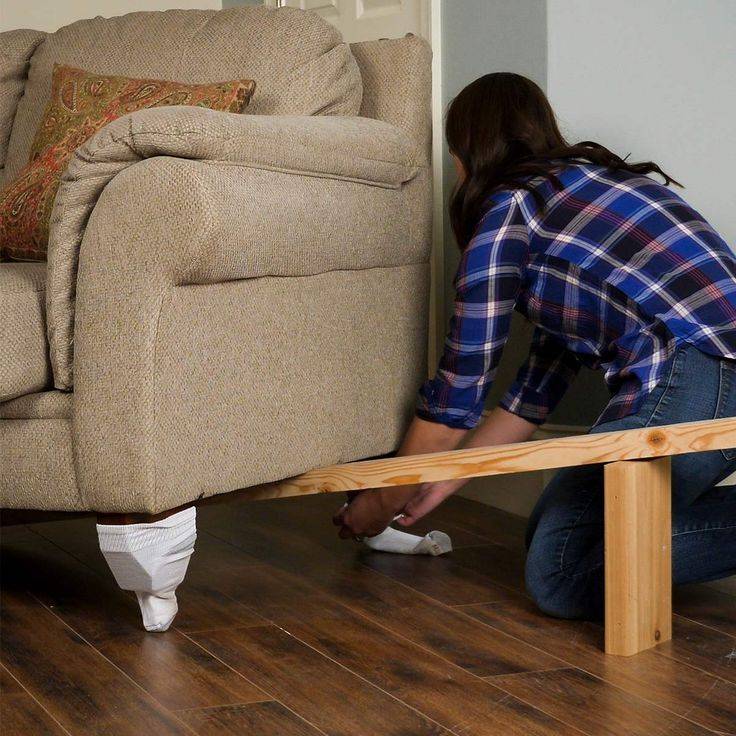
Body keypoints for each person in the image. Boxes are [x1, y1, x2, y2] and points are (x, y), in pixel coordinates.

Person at [333, 72, 736, 620]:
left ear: (464, 154)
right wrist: (439, 481)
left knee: (559, 576)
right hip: (709, 372)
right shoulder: (584, 196)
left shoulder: (510, 211)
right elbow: (532, 396)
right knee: (555, 542)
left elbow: (457, 397)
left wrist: (379, 501)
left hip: (703, 371)